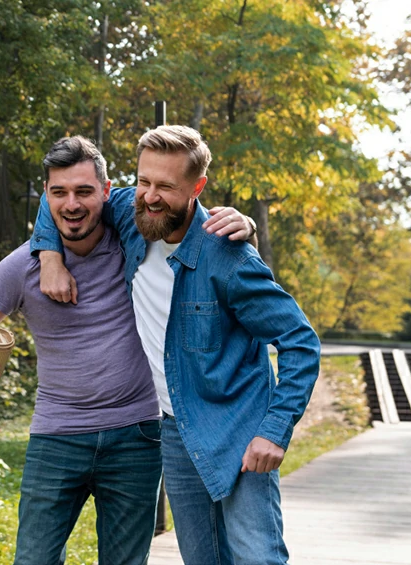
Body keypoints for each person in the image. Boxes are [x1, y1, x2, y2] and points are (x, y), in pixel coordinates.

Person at [0, 136, 252, 565]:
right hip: (56, 435)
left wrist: (241, 223)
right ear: (46, 196)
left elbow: (180, 212)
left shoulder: (137, 243)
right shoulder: (22, 266)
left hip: (137, 435)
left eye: (85, 192)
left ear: (108, 194)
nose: (71, 204)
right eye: (58, 192)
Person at [31, 125, 320, 565]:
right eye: (144, 180)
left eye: (166, 186)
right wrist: (49, 255)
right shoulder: (131, 212)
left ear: (197, 187)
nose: (149, 196)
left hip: (238, 430)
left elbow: (300, 342)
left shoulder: (229, 256)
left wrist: (274, 430)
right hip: (175, 429)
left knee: (255, 557)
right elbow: (63, 191)